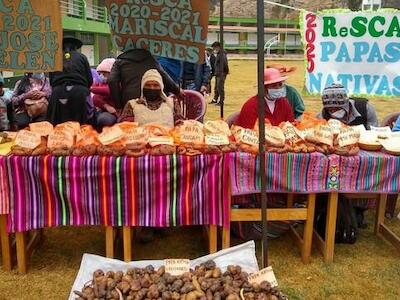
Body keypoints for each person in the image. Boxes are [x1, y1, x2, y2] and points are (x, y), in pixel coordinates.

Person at [108, 49, 182, 109]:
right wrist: (177, 91)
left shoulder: (120, 61)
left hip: (128, 100)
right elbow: (164, 75)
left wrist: (118, 105)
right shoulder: (150, 59)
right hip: (149, 99)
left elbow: (112, 81)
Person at [47, 35, 93, 125]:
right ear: (75, 47)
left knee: (58, 124)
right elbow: (89, 80)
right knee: (81, 125)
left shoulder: (55, 59)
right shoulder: (82, 57)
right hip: (79, 93)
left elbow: (52, 81)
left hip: (59, 92)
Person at [91, 58, 118, 127]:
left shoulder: (117, 84)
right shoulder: (100, 83)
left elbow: (108, 90)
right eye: (100, 73)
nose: (101, 76)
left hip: (115, 112)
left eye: (104, 73)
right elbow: (95, 98)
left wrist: (91, 89)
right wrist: (106, 106)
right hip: (103, 110)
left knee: (104, 119)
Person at [210, 42, 229, 106]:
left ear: (218, 47)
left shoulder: (221, 54)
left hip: (221, 73)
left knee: (220, 87)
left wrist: (225, 71)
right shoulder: (219, 53)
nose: (214, 49)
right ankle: (215, 99)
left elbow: (225, 63)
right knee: (217, 87)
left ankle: (221, 101)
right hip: (218, 73)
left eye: (215, 48)